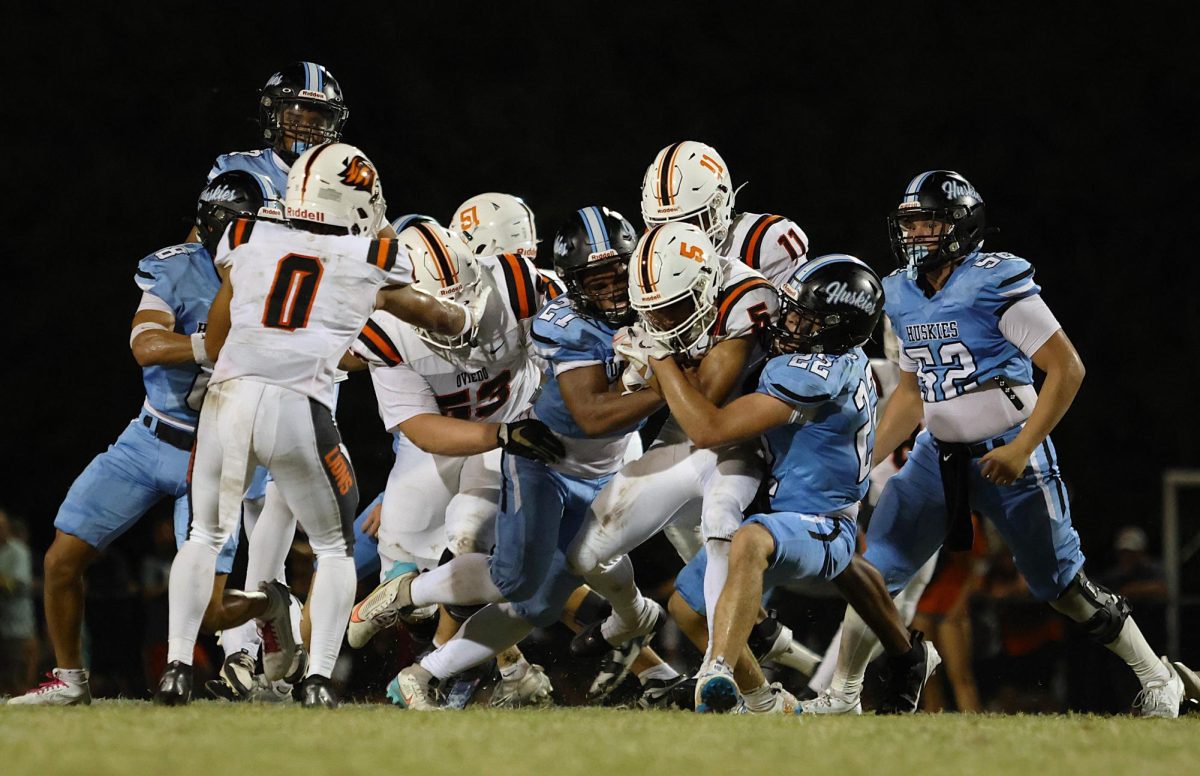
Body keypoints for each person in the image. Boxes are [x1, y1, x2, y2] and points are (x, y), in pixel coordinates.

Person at [803, 170, 1185, 718]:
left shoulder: (993, 280)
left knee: (1060, 585)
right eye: (910, 223)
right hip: (937, 457)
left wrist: (1023, 447)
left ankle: (1157, 677)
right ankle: (841, 696)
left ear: (961, 224)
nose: (916, 235)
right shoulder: (903, 294)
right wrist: (862, 460)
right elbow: (911, 394)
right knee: (873, 569)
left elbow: (1066, 369)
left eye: (928, 222)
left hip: (1010, 449)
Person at [153, 143, 495, 708]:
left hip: (227, 400)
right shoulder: (372, 254)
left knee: (204, 536)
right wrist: (471, 316)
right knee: (334, 548)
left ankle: (176, 667)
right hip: (299, 409)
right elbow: (436, 316)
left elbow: (215, 342)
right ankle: (315, 679)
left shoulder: (246, 237)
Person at [359, 206, 669, 710]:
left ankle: (452, 672)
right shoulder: (385, 330)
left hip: (533, 434)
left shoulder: (525, 287)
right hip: (467, 442)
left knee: (526, 567)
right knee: (472, 558)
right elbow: (419, 427)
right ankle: (413, 637)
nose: (454, 319)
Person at [6, 172, 277, 706]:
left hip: (217, 452)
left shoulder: (273, 279)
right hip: (149, 438)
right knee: (60, 561)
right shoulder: (176, 267)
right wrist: (212, 347)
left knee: (209, 611)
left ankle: (271, 608)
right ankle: (69, 682)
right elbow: (147, 345)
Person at [0, 510, 36, 697]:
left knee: (16, 678)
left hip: (17, 627)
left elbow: (18, 584)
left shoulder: (18, 551)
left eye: (3, 526)